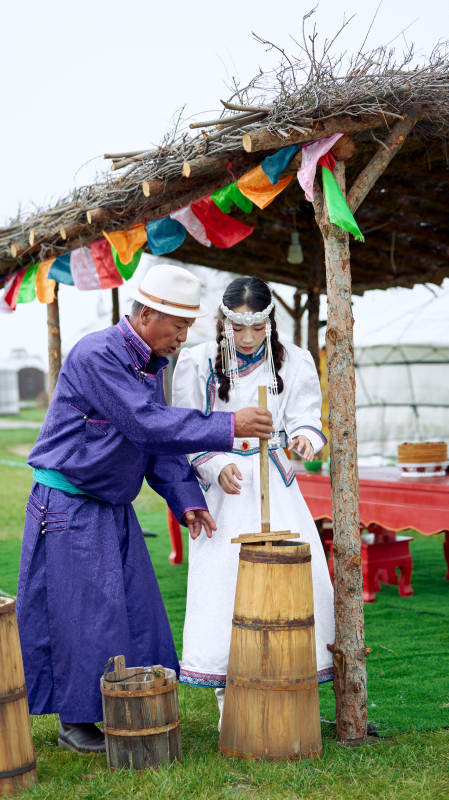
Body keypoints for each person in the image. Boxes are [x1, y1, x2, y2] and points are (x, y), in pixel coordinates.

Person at [16, 264, 274, 753]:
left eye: (187, 328)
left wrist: (186, 499)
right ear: (148, 314)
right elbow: (147, 424)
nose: (182, 338)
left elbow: (156, 446)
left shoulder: (148, 364)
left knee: (134, 609)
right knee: (84, 616)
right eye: (177, 327)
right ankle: (77, 722)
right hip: (68, 505)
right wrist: (229, 424)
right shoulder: (98, 355)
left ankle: (122, 705)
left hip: (109, 505)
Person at [172, 276, 335, 728]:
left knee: (295, 586)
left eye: (256, 329)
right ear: (223, 322)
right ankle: (236, 710)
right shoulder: (197, 361)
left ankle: (294, 692)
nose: (246, 339)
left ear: (269, 323)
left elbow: (306, 415)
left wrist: (303, 438)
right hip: (226, 491)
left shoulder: (295, 360)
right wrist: (211, 465)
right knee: (227, 590)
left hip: (277, 489)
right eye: (237, 329)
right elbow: (185, 426)